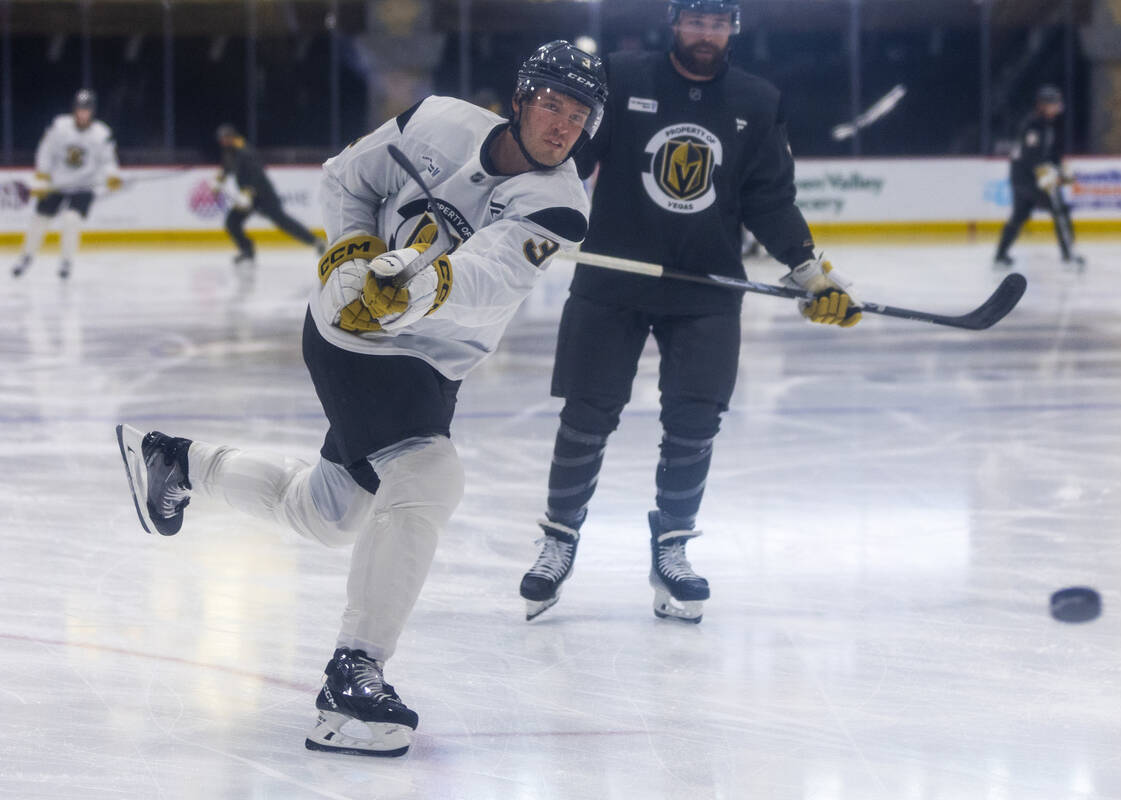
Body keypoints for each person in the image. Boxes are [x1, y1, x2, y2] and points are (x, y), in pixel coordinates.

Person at [115, 41, 607, 757]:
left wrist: (420, 287)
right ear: (522, 97)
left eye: (580, 115)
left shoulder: (560, 205)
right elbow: (348, 178)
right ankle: (353, 675)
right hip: (352, 331)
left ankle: (177, 462)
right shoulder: (434, 122)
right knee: (428, 476)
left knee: (330, 512)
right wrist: (348, 253)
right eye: (554, 104)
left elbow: (486, 279)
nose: (564, 125)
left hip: (433, 359)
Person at [519, 0, 860, 625]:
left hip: (706, 288)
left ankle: (672, 546)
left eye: (718, 23)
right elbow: (572, 162)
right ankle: (559, 539)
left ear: (733, 29)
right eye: (695, 22)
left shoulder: (757, 101)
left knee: (694, 423)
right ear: (673, 24)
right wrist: (523, 209)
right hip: (613, 277)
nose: (706, 34)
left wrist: (808, 270)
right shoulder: (621, 78)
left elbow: (769, 197)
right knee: (587, 415)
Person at [11, 89, 121, 280]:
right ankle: (26, 257)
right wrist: (43, 174)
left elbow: (108, 161)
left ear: (92, 111)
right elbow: (45, 150)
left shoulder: (101, 134)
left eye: (87, 109)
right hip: (58, 183)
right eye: (80, 109)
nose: (83, 113)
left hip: (84, 187)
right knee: (40, 219)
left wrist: (112, 175)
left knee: (71, 220)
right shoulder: (59, 127)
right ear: (74, 109)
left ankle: (66, 261)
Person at [213, 124, 325, 285]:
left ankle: (316, 242)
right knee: (232, 221)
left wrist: (249, 191)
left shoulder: (244, 150)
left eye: (225, 138)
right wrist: (218, 183)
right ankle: (247, 251)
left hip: (263, 194)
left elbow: (257, 173)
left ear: (231, 137)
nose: (222, 142)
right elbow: (226, 168)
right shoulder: (230, 151)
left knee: (282, 221)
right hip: (248, 196)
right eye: (221, 139)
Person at [993, 84, 1084, 269]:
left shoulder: (1046, 125)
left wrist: (1060, 169)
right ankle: (1069, 255)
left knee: (1019, 215)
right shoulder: (1033, 125)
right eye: (1053, 103)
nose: (1057, 107)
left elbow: (1050, 153)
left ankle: (1000, 255)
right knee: (1059, 210)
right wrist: (1047, 176)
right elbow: (1030, 155)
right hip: (1026, 179)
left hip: (1026, 177)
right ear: (1043, 105)